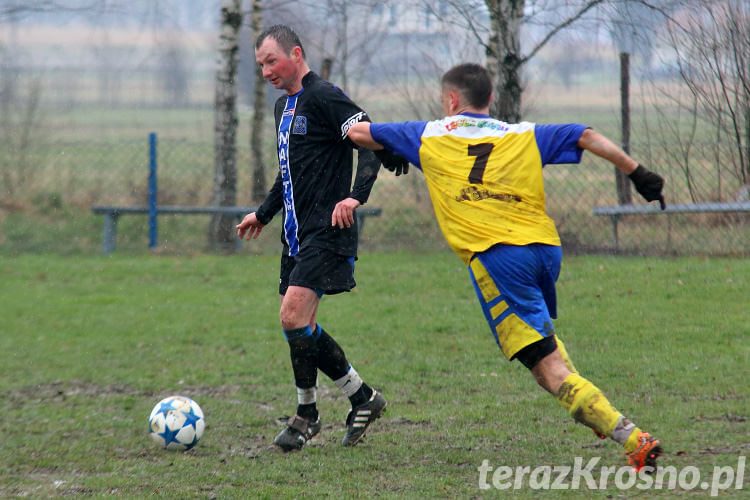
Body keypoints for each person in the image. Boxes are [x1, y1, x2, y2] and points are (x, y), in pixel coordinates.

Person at [346, 63, 665, 471]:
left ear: (451, 100)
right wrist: (637, 173)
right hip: (545, 250)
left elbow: (358, 132)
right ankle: (593, 408)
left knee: (547, 370)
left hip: (498, 257)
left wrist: (387, 144)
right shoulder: (521, 133)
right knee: (542, 348)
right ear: (491, 99)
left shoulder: (428, 134)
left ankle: (632, 438)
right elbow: (585, 135)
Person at [237, 25, 406, 451]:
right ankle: (361, 398)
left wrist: (355, 196)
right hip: (296, 234)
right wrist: (263, 212)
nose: (266, 72)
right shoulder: (282, 108)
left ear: (296, 53)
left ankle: (306, 416)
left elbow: (368, 140)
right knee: (301, 324)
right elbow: (288, 171)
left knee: (293, 317)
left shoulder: (325, 95)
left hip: (330, 230)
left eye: (271, 61)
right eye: (260, 65)